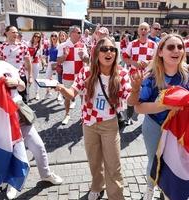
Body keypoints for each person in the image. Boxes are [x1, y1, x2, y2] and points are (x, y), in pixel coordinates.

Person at [55, 37, 143, 200]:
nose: (109, 52)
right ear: (96, 53)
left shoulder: (121, 74)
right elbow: (72, 93)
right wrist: (61, 89)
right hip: (89, 123)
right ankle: (97, 185)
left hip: (110, 124)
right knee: (94, 161)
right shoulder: (86, 72)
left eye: (112, 49)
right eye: (104, 49)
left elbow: (130, 101)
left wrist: (136, 89)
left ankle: (115, 196)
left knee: (113, 166)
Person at [0, 60, 63, 200]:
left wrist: (16, 82)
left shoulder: (2, 65)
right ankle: (13, 184)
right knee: (13, 154)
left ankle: (46, 174)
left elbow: (22, 87)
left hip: (19, 116)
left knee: (38, 146)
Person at [134, 34, 189, 200]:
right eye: (171, 47)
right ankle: (150, 189)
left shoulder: (187, 76)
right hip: (154, 126)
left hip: (179, 129)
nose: (176, 50)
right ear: (160, 52)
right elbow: (138, 107)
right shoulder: (150, 77)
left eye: (180, 47)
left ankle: (166, 191)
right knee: (154, 159)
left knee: (174, 161)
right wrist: (165, 105)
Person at [57, 25, 89, 125]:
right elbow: (58, 61)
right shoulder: (63, 45)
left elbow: (87, 61)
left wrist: (83, 57)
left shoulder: (82, 45)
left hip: (80, 77)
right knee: (67, 97)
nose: (81, 34)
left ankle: (83, 115)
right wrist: (65, 55)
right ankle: (67, 115)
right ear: (71, 33)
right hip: (68, 76)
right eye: (79, 32)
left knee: (83, 97)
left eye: (80, 32)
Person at [0, 25, 33, 104]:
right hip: (7, 77)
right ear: (6, 33)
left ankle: (23, 116)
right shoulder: (1, 47)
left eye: (17, 32)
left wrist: (30, 76)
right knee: (8, 100)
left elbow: (28, 62)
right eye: (13, 32)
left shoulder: (23, 46)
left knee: (22, 100)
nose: (16, 34)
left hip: (20, 76)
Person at [28, 32, 42, 100]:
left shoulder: (40, 46)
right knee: (28, 78)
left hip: (36, 63)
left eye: (38, 37)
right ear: (33, 37)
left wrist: (43, 62)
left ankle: (37, 93)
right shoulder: (28, 44)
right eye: (35, 36)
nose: (36, 38)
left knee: (36, 79)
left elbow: (40, 56)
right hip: (28, 63)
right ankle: (27, 93)